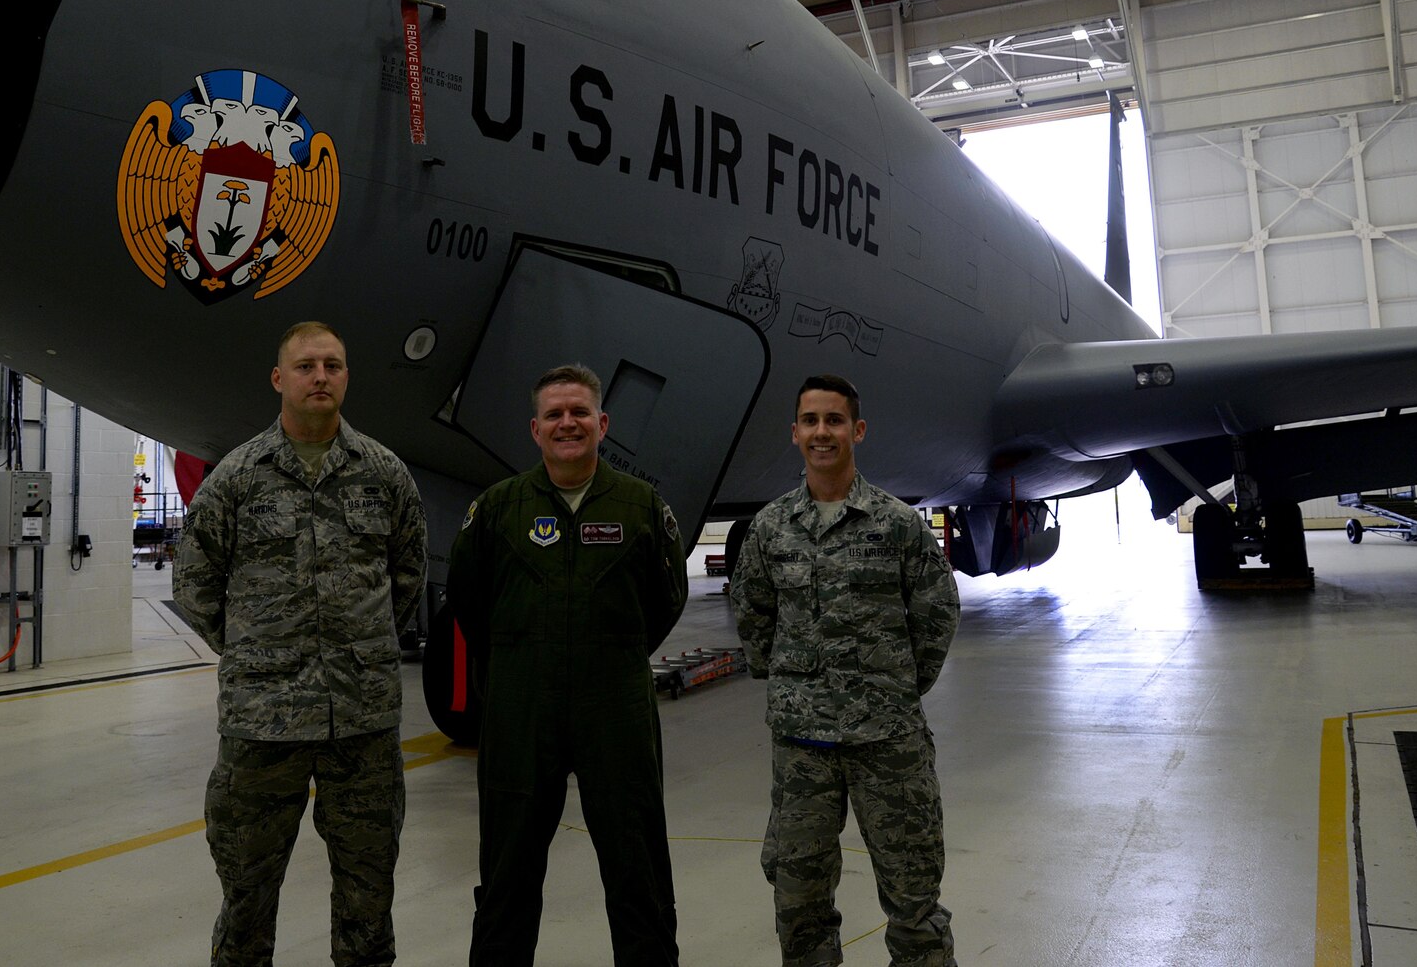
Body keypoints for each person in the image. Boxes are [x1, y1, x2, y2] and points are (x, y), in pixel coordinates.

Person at [173, 321, 428, 966]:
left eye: (332, 365)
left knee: (369, 896)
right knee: (246, 896)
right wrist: (255, 653)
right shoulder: (237, 476)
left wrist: (358, 645)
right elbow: (195, 581)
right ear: (278, 379)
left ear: (346, 377)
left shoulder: (384, 473)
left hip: (362, 720)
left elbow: (407, 575)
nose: (320, 377)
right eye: (306, 366)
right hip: (264, 723)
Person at [444, 364, 689, 967]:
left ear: (602, 423)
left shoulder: (640, 506)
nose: (567, 424)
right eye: (554, 414)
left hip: (616, 710)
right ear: (535, 429)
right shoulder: (498, 509)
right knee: (507, 872)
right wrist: (520, 660)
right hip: (522, 711)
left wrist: (612, 652)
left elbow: (666, 599)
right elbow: (469, 601)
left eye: (579, 412)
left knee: (637, 868)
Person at [731, 374, 961, 967]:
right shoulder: (770, 527)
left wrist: (894, 689)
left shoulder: (897, 523)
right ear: (795, 433)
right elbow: (753, 612)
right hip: (802, 746)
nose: (822, 432)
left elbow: (936, 612)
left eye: (834, 420)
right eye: (810, 421)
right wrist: (793, 688)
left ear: (856, 430)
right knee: (798, 897)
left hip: (888, 741)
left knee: (914, 897)